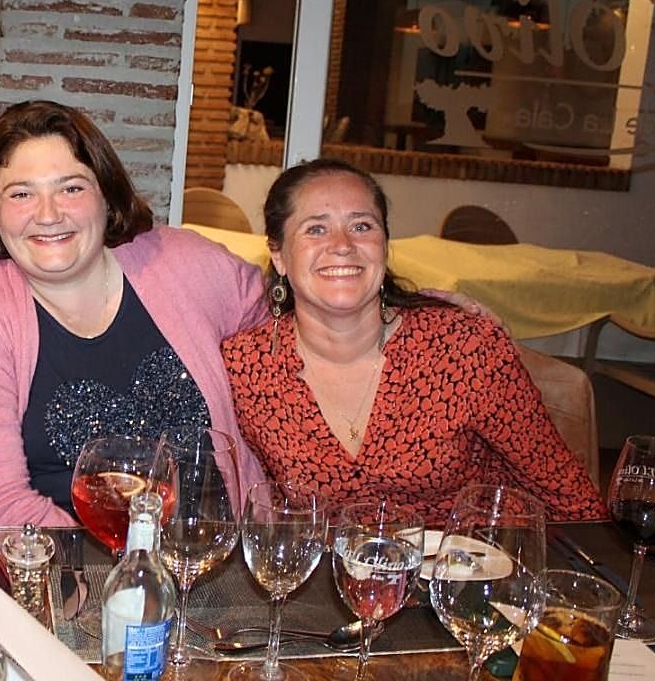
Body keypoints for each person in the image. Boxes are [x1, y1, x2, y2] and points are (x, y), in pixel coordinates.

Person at [0, 100, 270, 527]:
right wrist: (111, 567)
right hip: (63, 559)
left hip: (216, 551)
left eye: (71, 189)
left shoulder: (189, 265)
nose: (48, 215)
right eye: (21, 194)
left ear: (106, 196)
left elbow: (287, 345)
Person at [222, 158, 607, 526]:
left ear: (384, 245)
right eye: (316, 229)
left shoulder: (463, 349)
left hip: (473, 561)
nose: (343, 244)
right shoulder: (247, 370)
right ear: (279, 255)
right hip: (333, 569)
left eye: (362, 226)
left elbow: (570, 496)